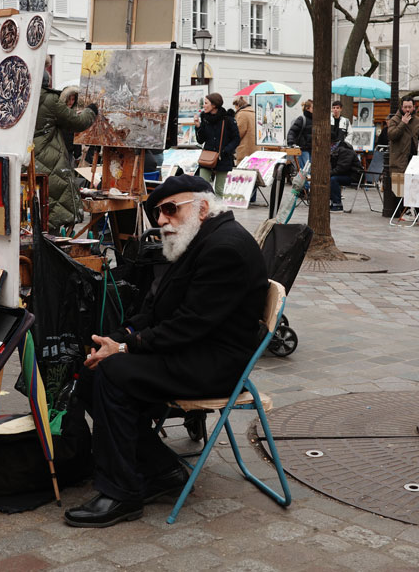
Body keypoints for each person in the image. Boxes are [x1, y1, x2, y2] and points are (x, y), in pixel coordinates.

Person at [63, 174, 268, 528]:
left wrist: (126, 348)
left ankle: (121, 493)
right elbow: (158, 311)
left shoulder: (225, 248)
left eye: (170, 210)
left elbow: (189, 325)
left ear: (202, 207)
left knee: (114, 372)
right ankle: (160, 470)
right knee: (96, 368)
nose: (161, 221)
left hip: (213, 363)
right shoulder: (201, 239)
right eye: (159, 212)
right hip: (192, 350)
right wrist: (117, 337)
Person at [33, 84, 97, 233]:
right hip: (49, 160)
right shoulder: (50, 99)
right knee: (51, 210)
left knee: (39, 209)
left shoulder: (23, 94)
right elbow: (78, 122)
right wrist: (91, 110)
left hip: (32, 158)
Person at [195, 92, 240, 195]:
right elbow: (201, 140)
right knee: (202, 188)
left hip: (223, 158)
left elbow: (236, 139)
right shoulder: (205, 118)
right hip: (207, 158)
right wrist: (198, 127)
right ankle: (205, 209)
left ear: (214, 105)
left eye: (206, 103)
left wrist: (225, 151)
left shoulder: (228, 119)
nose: (204, 105)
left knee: (219, 190)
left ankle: (218, 210)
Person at [385, 96, 419, 215]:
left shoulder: (417, 121)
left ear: (413, 107)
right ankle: (402, 211)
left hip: (414, 158)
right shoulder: (395, 120)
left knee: (415, 184)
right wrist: (402, 123)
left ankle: (416, 210)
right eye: (405, 107)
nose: (407, 110)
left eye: (409, 107)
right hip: (400, 159)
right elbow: (391, 135)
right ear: (401, 107)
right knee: (402, 187)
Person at [329, 133, 363, 212]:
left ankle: (337, 205)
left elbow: (342, 168)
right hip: (346, 174)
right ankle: (333, 202)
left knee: (333, 179)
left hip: (354, 175)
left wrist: (329, 173)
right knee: (331, 178)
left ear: (331, 143)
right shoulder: (336, 149)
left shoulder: (345, 150)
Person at [286, 99, 314, 172]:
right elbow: (292, 131)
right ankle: (306, 183)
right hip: (303, 149)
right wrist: (290, 142)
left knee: (310, 170)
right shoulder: (302, 119)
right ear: (307, 108)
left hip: (312, 149)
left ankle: (308, 183)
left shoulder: (315, 120)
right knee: (305, 170)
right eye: (313, 108)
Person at [232, 97, 256, 165]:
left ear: (238, 105)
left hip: (245, 148)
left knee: (243, 171)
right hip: (255, 148)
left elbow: (238, 132)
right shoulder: (253, 113)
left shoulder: (242, 114)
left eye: (235, 106)